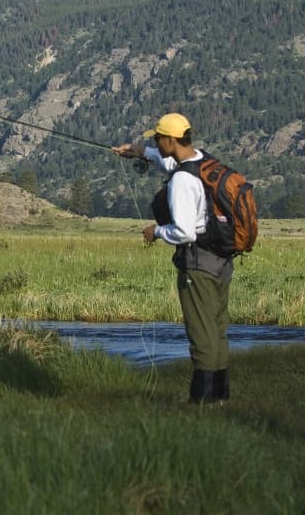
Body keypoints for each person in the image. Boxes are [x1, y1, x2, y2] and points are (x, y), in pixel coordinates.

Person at [112, 113, 234, 404]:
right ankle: (220, 398)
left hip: (197, 264)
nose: (155, 141)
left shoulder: (181, 180)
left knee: (201, 334)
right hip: (221, 260)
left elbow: (184, 231)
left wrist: (155, 231)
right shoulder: (203, 162)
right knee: (217, 330)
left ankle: (200, 402)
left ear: (170, 139)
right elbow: (165, 160)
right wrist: (137, 152)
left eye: (157, 138)